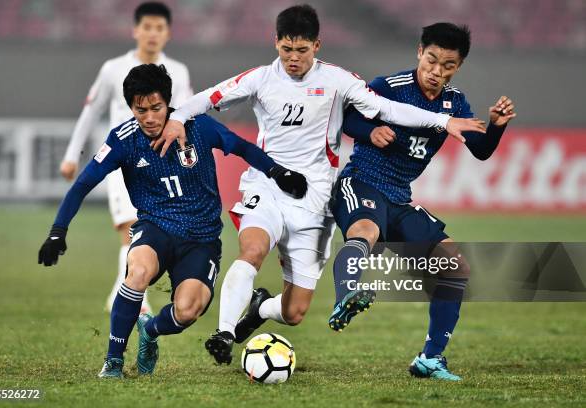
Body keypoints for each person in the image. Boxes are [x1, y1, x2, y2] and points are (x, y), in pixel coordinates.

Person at [151, 4, 486, 365]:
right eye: (286, 49)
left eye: (302, 50)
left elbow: (387, 110)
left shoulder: (339, 81)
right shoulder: (260, 79)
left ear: (317, 45)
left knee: (294, 312)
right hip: (267, 185)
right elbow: (211, 96)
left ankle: (260, 307)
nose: (293, 58)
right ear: (276, 42)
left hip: (314, 198)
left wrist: (443, 122)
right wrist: (179, 116)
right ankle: (225, 333)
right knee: (252, 249)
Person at [37, 64, 307, 378]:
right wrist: (58, 231)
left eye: (156, 108)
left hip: (201, 239)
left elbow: (242, 147)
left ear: (168, 103)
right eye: (141, 110)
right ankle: (113, 362)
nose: (150, 118)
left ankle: (150, 331)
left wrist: (277, 172)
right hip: (155, 228)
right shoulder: (123, 139)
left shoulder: (198, 127)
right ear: (131, 108)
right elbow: (83, 184)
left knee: (188, 310)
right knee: (136, 271)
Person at [333, 22, 516, 381]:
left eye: (447, 65)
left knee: (454, 266)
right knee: (366, 231)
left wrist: (495, 126)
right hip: (362, 184)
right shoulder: (390, 87)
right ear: (419, 52)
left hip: (400, 199)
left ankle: (430, 359)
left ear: (458, 66)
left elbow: (480, 151)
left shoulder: (455, 102)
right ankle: (346, 294)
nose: (436, 71)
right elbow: (346, 118)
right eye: (431, 60)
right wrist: (370, 130)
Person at [60, 2, 193, 314]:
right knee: (131, 227)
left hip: (162, 165)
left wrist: (186, 158)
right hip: (125, 162)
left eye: (159, 28)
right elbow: (90, 112)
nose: (152, 34)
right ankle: (138, 300)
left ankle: (121, 291)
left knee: (152, 230)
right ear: (135, 30)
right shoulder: (113, 69)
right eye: (147, 27)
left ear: (168, 34)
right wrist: (71, 157)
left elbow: (185, 119)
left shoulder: (179, 72)